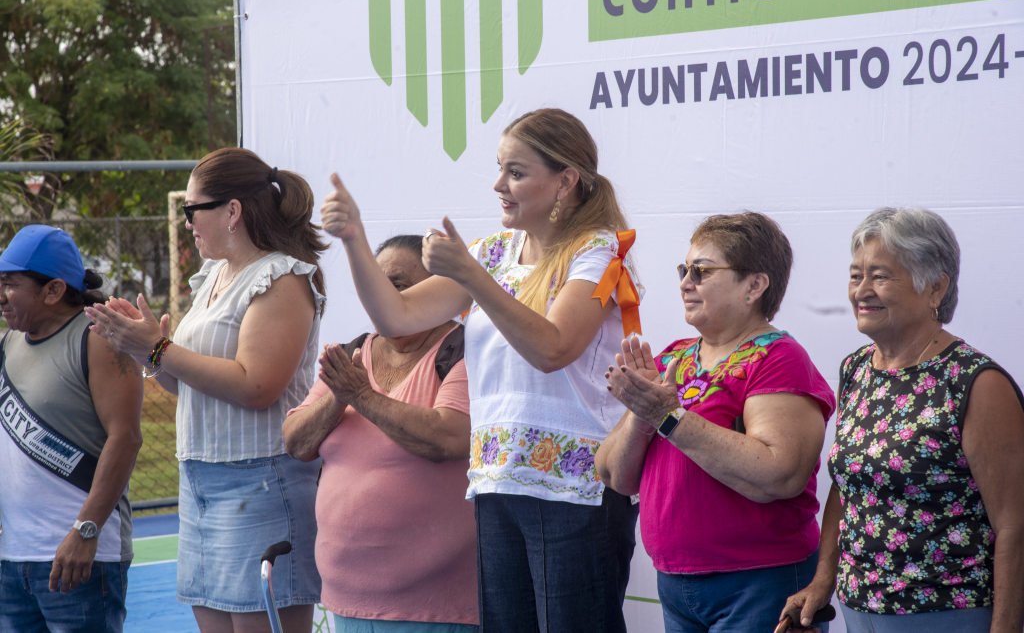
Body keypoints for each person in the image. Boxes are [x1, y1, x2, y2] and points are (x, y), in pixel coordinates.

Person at [321, 108, 643, 632]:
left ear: (565, 181)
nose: (498, 185)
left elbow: (553, 348)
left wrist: (473, 278)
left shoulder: (597, 251)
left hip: (574, 486)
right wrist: (355, 239)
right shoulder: (492, 254)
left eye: (516, 172)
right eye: (499, 169)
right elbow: (395, 316)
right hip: (498, 479)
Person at [86, 148, 327, 633]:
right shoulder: (216, 275)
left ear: (232, 211)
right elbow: (187, 382)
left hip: (261, 481)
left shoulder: (281, 277)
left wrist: (158, 348)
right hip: (200, 482)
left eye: (192, 209)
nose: (187, 222)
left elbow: (256, 386)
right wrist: (142, 348)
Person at [781, 207, 1024, 633]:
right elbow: (848, 484)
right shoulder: (857, 368)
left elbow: (1014, 524)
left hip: (948, 614)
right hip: (859, 611)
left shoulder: (975, 382)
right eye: (855, 275)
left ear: (936, 287)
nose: (861, 290)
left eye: (880, 276)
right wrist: (823, 581)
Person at [594, 212, 836, 633]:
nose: (686, 283)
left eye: (702, 271)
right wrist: (644, 418)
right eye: (684, 270)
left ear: (754, 286)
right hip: (676, 584)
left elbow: (779, 474)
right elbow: (614, 475)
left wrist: (668, 416)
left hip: (760, 581)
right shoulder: (675, 356)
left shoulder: (779, 358)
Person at [282, 234, 478, 633]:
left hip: (433, 608)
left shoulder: (462, 349)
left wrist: (361, 396)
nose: (384, 297)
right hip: (347, 601)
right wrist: (339, 398)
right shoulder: (352, 353)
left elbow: (447, 438)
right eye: (377, 284)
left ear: (438, 293)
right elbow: (296, 442)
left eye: (399, 285)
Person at [0, 225, 143, 633]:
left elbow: (126, 438)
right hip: (13, 558)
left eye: (10, 284)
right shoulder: (9, 342)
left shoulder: (100, 338)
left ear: (54, 290)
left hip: (80, 560)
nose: (0, 295)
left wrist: (86, 530)